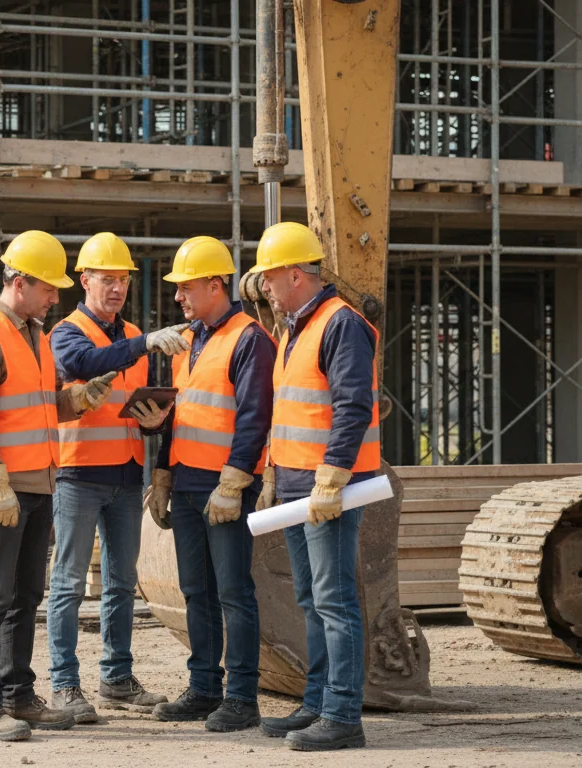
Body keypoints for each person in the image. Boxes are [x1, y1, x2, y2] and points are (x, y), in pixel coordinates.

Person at [0, 230, 119, 742]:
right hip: (0, 486)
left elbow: (41, 407)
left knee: (25, 594)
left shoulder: (35, 335)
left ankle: (18, 695)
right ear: (19, 283)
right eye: (48, 288)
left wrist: (77, 400)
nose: (54, 298)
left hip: (37, 482)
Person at [46, 232, 189, 724]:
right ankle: (64, 684)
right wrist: (143, 343)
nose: (116, 288)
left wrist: (154, 422)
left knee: (122, 583)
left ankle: (116, 678)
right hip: (78, 473)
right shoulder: (68, 332)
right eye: (107, 279)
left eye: (123, 280)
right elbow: (83, 364)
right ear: (84, 280)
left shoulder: (130, 334)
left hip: (126, 473)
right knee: (68, 583)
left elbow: (130, 403)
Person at [248, 221, 380, 752]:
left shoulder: (339, 324)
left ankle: (343, 714)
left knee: (334, 600)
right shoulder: (295, 329)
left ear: (296, 275)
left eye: (269, 277)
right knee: (311, 597)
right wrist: (274, 473)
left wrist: (333, 474)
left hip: (328, 490)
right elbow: (293, 412)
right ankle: (319, 701)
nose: (264, 287)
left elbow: (353, 406)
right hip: (297, 486)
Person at [147, 236, 275, 733]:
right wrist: (163, 472)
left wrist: (235, 481)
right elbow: (180, 415)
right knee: (196, 591)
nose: (178, 296)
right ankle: (204, 688)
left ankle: (242, 697)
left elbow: (254, 417)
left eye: (187, 286)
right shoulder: (188, 341)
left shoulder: (249, 339)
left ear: (216, 285)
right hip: (186, 484)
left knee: (234, 592)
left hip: (224, 487)